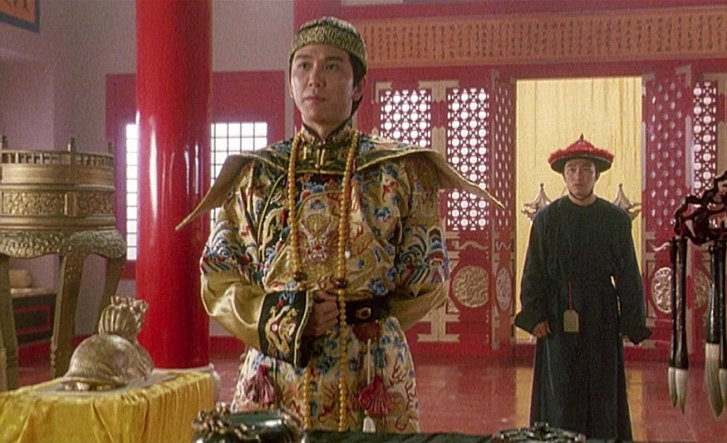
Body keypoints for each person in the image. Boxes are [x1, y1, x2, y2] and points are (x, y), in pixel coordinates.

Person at [178, 16, 496, 433]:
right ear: (291, 82)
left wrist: (368, 317)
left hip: (373, 368)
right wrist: (287, 319)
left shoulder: (399, 172)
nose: (315, 78)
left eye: (332, 66)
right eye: (303, 66)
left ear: (358, 85)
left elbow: (428, 277)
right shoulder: (256, 175)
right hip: (277, 369)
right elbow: (219, 276)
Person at [515, 135, 651, 442]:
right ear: (564, 175)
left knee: (601, 389)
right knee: (561, 390)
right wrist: (534, 315)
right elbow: (534, 270)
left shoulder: (615, 220)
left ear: (597, 174)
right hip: (558, 313)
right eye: (572, 169)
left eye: (586, 169)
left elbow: (628, 275)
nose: (579, 176)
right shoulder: (547, 220)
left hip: (601, 313)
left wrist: (630, 321)